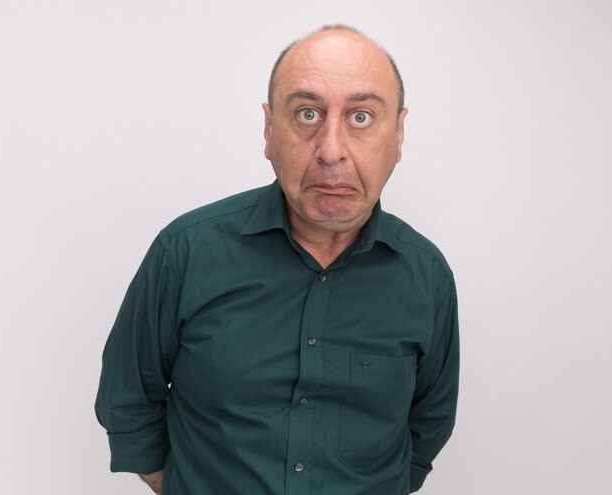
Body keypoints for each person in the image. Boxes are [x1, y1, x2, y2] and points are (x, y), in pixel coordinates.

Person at [95, 24, 459, 495]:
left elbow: (426, 426)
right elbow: (127, 397)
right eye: (307, 114)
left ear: (398, 133)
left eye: (361, 117)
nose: (332, 152)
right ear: (269, 129)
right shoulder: (185, 251)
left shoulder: (426, 277)